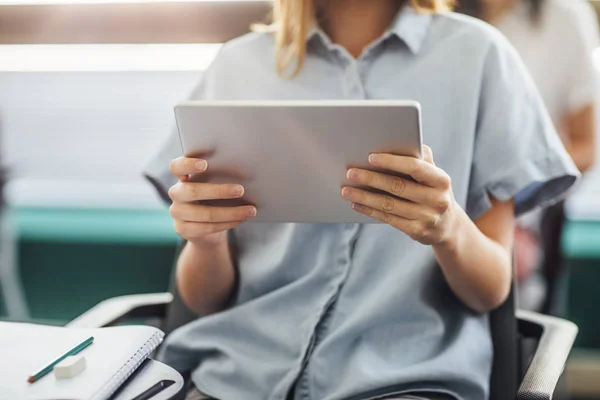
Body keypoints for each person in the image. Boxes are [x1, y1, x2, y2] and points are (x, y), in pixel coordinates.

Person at [144, 0, 579, 399]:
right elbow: (202, 303)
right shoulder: (237, 66)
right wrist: (205, 241)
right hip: (235, 378)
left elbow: (490, 291)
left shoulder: (480, 55)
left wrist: (449, 230)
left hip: (403, 382)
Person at [457, 0, 599, 310]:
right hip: (442, 192)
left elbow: (587, 147)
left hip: (519, 210)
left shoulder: (565, 18)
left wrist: (507, 189)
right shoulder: (438, 14)